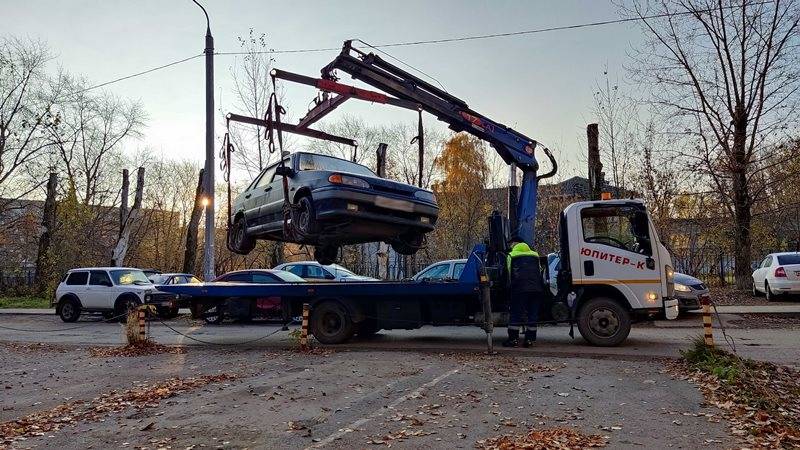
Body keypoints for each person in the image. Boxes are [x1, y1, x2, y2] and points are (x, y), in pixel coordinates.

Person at [503, 235, 545, 347]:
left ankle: (513, 340)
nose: (510, 246)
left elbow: (508, 273)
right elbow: (539, 271)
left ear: (516, 243)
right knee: (532, 314)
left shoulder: (511, 256)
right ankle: (529, 340)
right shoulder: (535, 255)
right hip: (536, 289)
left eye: (511, 243)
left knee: (516, 313)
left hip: (520, 289)